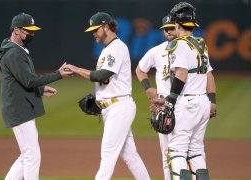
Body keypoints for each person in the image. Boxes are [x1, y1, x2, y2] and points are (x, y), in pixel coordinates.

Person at [67, 12, 151, 180]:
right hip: (113, 108)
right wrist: (97, 93)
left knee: (107, 155)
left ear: (106, 27)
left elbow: (101, 75)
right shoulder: (108, 49)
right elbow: (108, 81)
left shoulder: (117, 48)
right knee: (130, 156)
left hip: (119, 108)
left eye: (96, 29)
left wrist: (76, 70)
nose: (93, 33)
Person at [0, 12, 73, 180]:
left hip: (19, 106)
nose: (32, 33)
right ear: (16, 30)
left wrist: (41, 89)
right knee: (32, 155)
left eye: (33, 30)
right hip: (19, 108)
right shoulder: (14, 53)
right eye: (28, 30)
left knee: (26, 155)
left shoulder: (16, 49)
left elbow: (21, 81)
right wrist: (58, 74)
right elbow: (29, 81)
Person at [152, 2, 217, 180]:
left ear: (177, 23)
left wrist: (169, 102)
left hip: (186, 104)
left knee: (176, 151)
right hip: (203, 103)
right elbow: (209, 75)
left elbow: (181, 74)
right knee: (195, 151)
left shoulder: (179, 45)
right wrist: (213, 100)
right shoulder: (201, 44)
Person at [135, 15, 177, 180]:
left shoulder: (190, 50)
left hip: (185, 105)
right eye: (165, 29)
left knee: (189, 152)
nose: (168, 31)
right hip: (164, 106)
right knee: (167, 154)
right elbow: (140, 69)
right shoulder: (157, 51)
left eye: (171, 28)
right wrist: (148, 88)